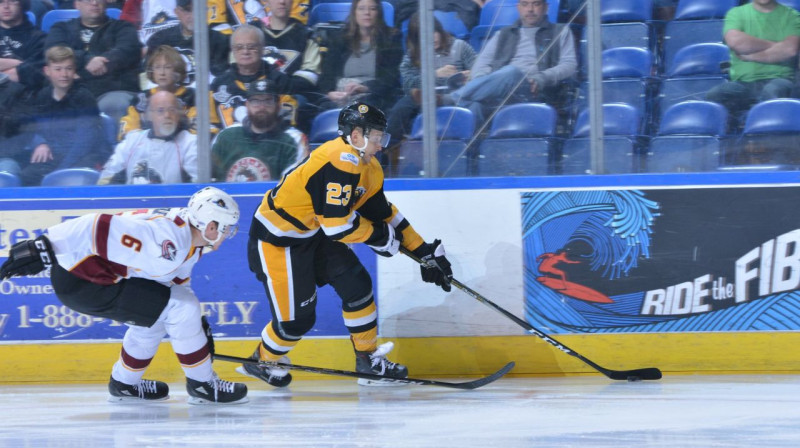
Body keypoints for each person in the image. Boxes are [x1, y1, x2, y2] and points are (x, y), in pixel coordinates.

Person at [238, 101, 453, 388]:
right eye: (376, 137)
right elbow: (339, 226)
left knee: (357, 285)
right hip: (279, 242)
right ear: (355, 136)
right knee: (295, 323)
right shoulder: (339, 158)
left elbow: (383, 213)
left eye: (381, 137)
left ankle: (367, 362)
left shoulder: (370, 167)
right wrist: (379, 236)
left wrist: (422, 250)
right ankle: (262, 360)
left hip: (314, 234)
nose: (380, 144)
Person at [0, 187, 249, 405]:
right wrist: (43, 245)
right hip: (83, 283)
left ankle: (124, 385)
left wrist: (195, 329)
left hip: (94, 280)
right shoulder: (167, 240)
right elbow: (94, 226)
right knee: (181, 309)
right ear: (211, 226)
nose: (229, 234)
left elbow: (174, 284)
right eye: (228, 228)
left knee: (158, 316)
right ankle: (203, 386)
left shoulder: (189, 241)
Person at [449, 0, 577, 124]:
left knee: (512, 71)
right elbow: (481, 64)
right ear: (518, 7)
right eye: (525, 4)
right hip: (499, 91)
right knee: (473, 105)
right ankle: (474, 145)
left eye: (536, 4)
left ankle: (450, 98)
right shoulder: (503, 34)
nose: (530, 9)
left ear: (546, 7)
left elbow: (569, 65)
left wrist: (541, 78)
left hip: (535, 90)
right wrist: (485, 83)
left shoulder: (560, 31)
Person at [385, 12, 476, 160]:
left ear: (439, 30)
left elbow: (480, 70)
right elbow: (408, 83)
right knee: (402, 107)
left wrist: (469, 75)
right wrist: (435, 74)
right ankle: (384, 152)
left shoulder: (459, 46)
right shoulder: (413, 55)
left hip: (456, 95)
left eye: (433, 32)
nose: (431, 38)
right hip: (425, 97)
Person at [22, 46, 110, 186]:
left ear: (74, 70)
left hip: (83, 156)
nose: (64, 74)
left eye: (68, 68)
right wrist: (40, 143)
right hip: (54, 155)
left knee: (69, 178)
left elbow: (85, 141)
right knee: (27, 176)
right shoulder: (42, 96)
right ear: (47, 71)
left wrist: (60, 171)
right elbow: (32, 127)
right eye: (58, 69)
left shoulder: (84, 97)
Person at [44, 0, 143, 126]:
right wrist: (88, 59)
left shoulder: (123, 27)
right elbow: (53, 51)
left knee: (112, 105)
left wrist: (81, 72)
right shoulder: (61, 28)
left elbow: (124, 53)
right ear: (77, 4)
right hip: (71, 90)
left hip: (112, 90)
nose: (94, 3)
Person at [706, 0, 800, 130]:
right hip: (742, 83)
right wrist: (777, 46)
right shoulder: (736, 13)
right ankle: (733, 143)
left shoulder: (791, 15)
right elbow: (736, 43)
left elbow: (789, 50)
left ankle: (767, 141)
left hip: (780, 79)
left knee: (772, 91)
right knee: (715, 95)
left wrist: (750, 56)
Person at [211, 79, 306, 182]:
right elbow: (207, 178)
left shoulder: (294, 140)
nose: (262, 107)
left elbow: (294, 187)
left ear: (278, 106)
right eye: (255, 101)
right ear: (247, 105)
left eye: (268, 101)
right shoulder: (226, 136)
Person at [316, 0, 403, 112]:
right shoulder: (341, 39)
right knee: (323, 109)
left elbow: (391, 78)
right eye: (361, 8)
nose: (367, 12)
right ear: (354, 13)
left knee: (362, 109)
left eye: (372, 8)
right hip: (340, 95)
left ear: (379, 13)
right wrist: (330, 93)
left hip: (373, 96)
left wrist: (365, 87)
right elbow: (326, 74)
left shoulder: (391, 39)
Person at [99, 90, 197, 184]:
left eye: (172, 110)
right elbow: (106, 180)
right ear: (149, 115)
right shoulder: (132, 140)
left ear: (179, 114)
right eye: (160, 110)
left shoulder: (191, 143)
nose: (167, 115)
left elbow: (197, 186)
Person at [210, 24, 296, 130]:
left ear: (262, 48)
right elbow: (211, 124)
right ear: (232, 50)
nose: (245, 52)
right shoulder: (218, 83)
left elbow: (287, 121)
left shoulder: (280, 81)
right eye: (239, 47)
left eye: (252, 47)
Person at [253, 0, 321, 131]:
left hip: (292, 98)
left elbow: (309, 78)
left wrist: (272, 80)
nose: (282, 2)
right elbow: (240, 69)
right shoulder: (251, 32)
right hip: (255, 95)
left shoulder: (306, 35)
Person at [119, 45, 198, 140]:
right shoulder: (141, 99)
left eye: (167, 67)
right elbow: (127, 130)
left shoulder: (191, 97)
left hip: (182, 146)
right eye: (157, 67)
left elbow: (197, 130)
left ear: (178, 70)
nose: (162, 73)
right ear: (152, 71)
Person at [144, 0, 231, 85]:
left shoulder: (219, 40)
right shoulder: (159, 39)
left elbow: (220, 79)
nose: (193, 15)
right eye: (187, 10)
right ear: (177, 12)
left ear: (206, 11)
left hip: (204, 96)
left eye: (198, 9)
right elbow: (147, 77)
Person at [0, 0, 46, 91]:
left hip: (21, 97)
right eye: (1, 1)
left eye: (12, 1)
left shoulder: (38, 38)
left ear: (23, 4)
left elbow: (33, 73)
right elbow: (25, 69)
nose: (6, 6)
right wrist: (19, 64)